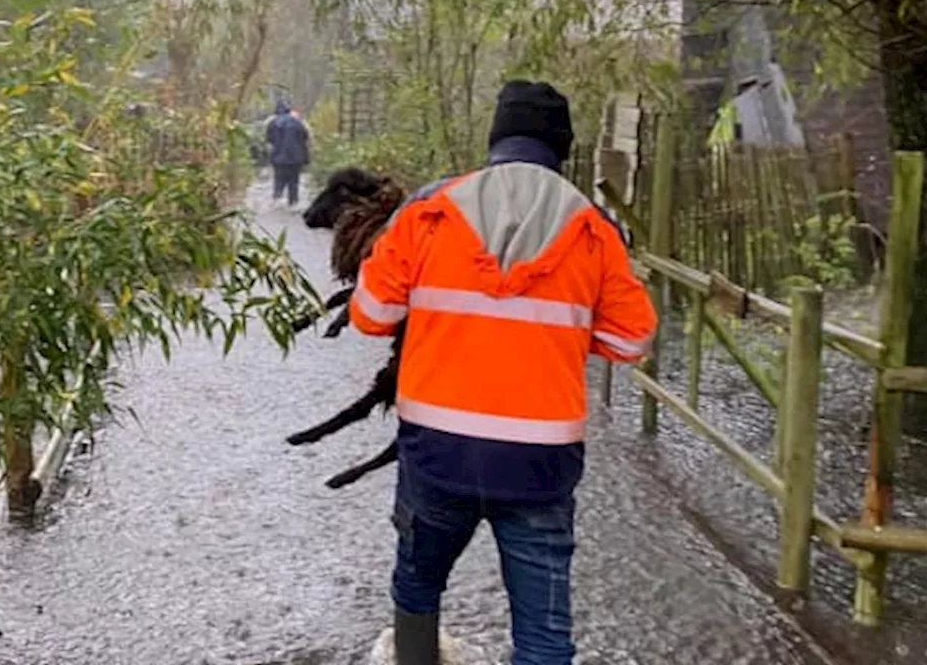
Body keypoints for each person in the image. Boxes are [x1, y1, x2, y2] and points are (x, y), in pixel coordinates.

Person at [348, 80, 658, 665]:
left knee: (417, 584)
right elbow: (631, 339)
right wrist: (562, 327)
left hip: (436, 452)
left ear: (495, 138)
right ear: (561, 147)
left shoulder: (428, 212)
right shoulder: (594, 230)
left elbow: (369, 315)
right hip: (541, 462)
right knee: (543, 635)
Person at [265, 100, 311, 208]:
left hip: (278, 158)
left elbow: (269, 140)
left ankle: (277, 198)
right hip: (296, 158)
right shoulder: (297, 122)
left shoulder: (272, 123)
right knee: (294, 181)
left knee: (278, 179)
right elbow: (305, 136)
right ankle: (293, 202)